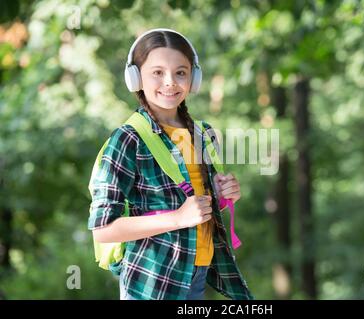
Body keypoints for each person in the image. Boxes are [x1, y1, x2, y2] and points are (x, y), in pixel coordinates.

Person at [87, 28, 253, 300]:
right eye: (157, 72)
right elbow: (104, 229)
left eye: (180, 72)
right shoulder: (127, 140)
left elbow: (197, 205)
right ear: (135, 77)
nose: (170, 82)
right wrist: (177, 218)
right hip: (151, 281)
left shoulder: (203, 134)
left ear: (193, 78)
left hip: (196, 272)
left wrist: (223, 196)